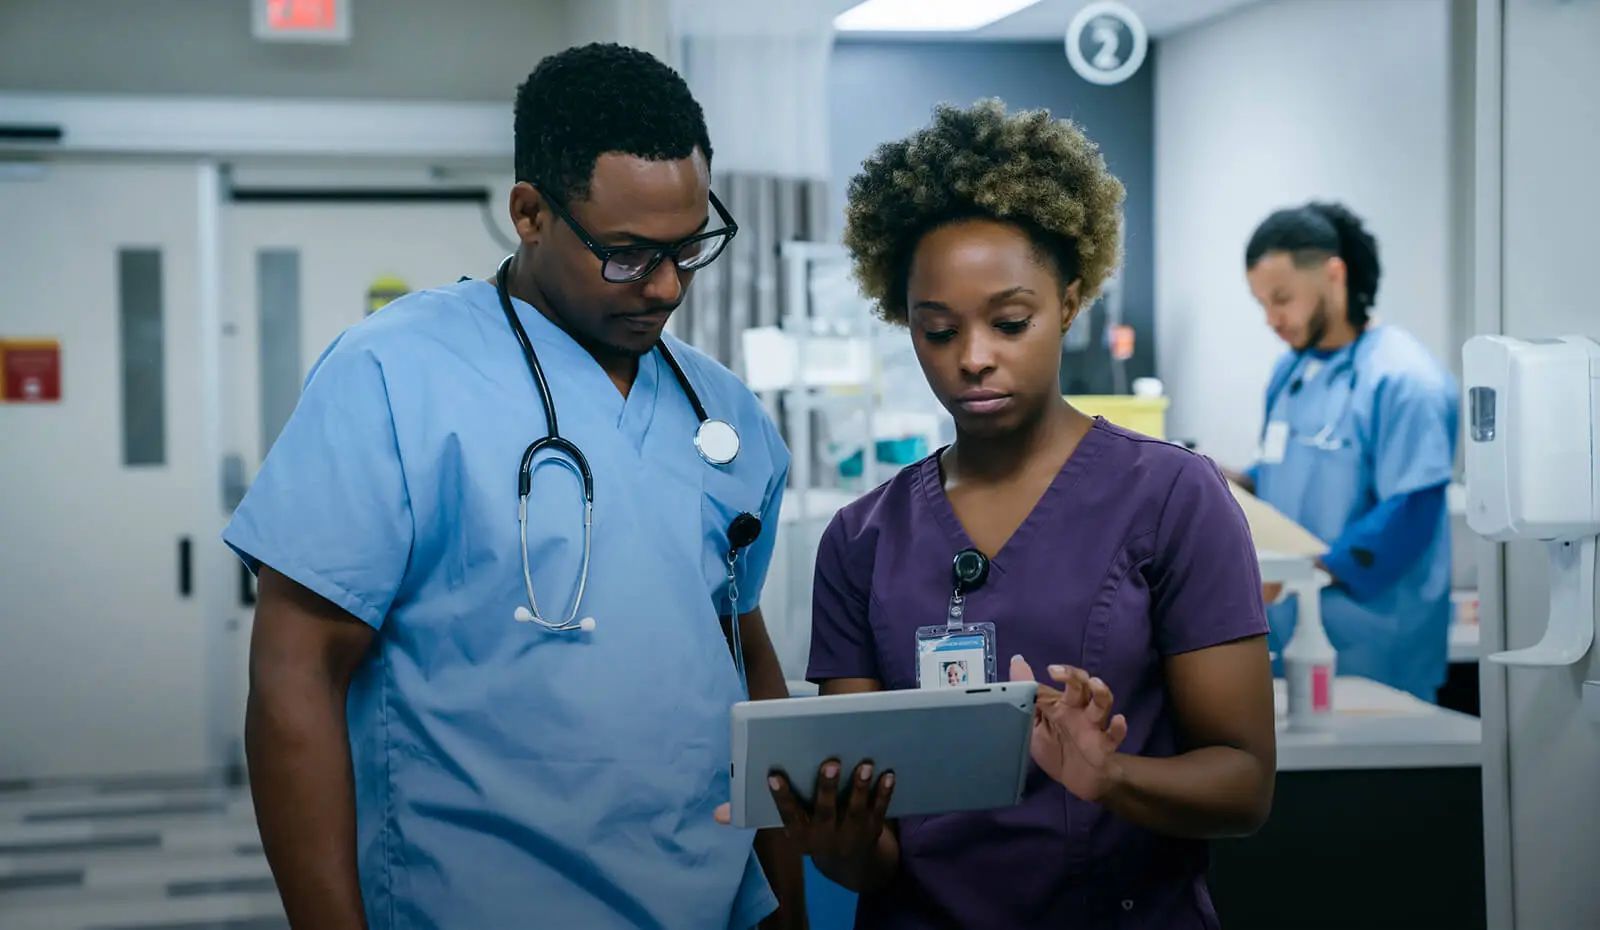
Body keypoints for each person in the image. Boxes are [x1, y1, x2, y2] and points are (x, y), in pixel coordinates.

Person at [226, 44, 804, 929]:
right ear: (529, 215)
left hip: (709, 895)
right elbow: (296, 671)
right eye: (626, 255)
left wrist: (787, 906)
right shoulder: (394, 371)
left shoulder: (721, 410)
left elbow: (744, 656)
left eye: (690, 249)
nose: (665, 286)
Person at [770, 100, 1276, 928]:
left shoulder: (1174, 497)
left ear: (1070, 302)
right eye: (937, 331)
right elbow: (869, 857)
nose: (973, 356)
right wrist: (835, 837)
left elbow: (1244, 783)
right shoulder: (862, 540)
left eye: (1010, 321)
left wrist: (1111, 777)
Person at [1233, 203, 1459, 701]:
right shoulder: (1289, 374)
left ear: (1334, 274)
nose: (1272, 319)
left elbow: (1411, 511)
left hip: (1375, 653)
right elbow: (1282, 474)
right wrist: (1217, 480)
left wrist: (1299, 574)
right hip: (1287, 641)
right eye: (1262, 304)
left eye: (1282, 299)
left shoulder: (1405, 380)